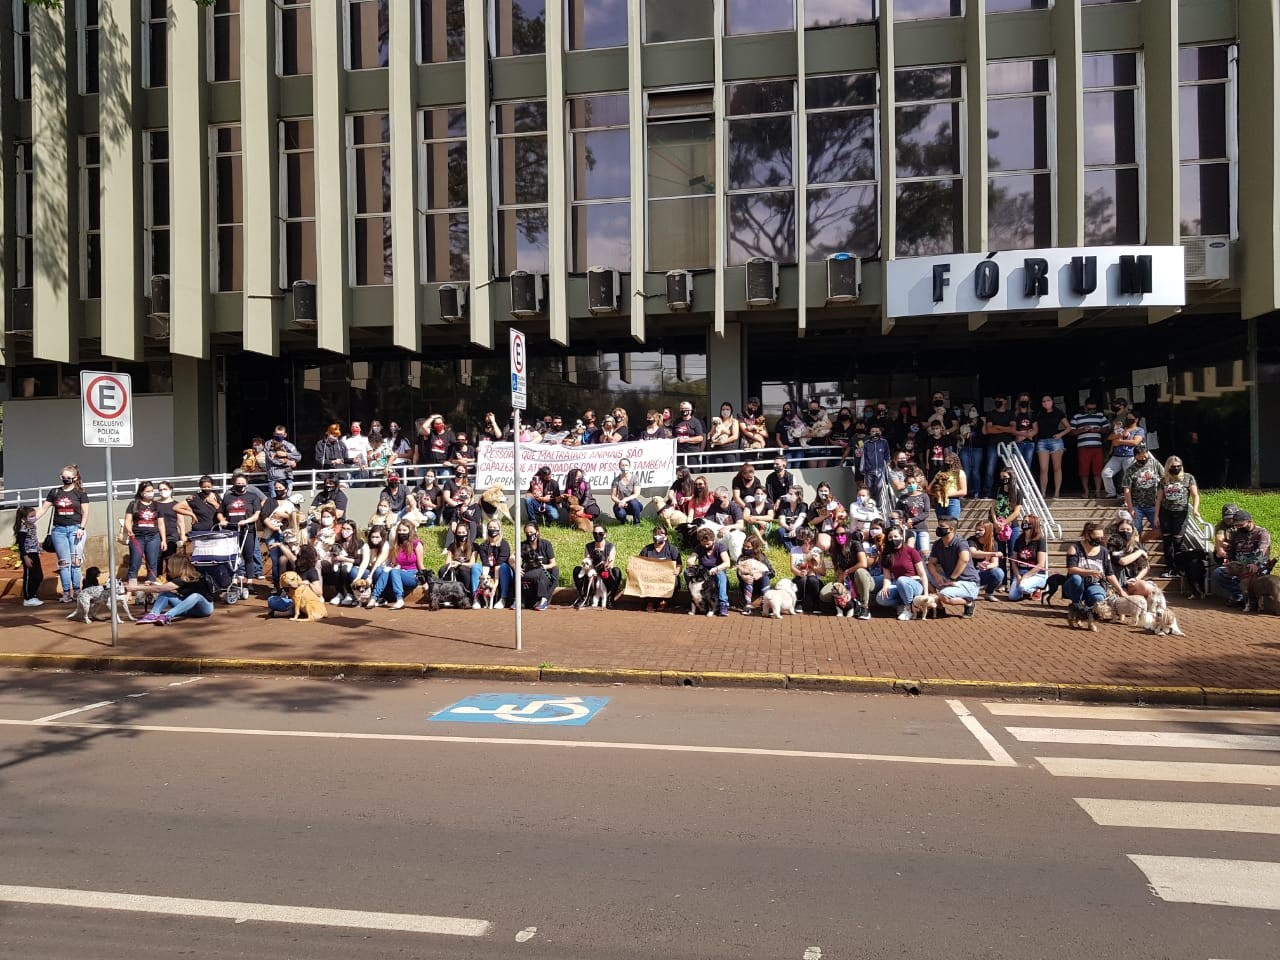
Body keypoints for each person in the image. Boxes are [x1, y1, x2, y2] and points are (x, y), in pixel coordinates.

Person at [35, 465, 91, 603]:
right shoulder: (55, 492)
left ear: (75, 478)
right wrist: (30, 520)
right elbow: (43, 509)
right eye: (63, 477)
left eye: (68, 477)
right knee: (64, 563)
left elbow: (85, 513)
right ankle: (67, 592)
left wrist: (81, 528)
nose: (65, 480)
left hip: (76, 529)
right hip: (59, 530)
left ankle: (77, 591)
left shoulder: (80, 493)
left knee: (75, 561)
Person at [137, 551, 219, 625]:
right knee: (165, 593)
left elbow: (159, 588)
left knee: (196, 596)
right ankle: (153, 614)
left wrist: (134, 588)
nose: (168, 568)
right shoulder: (178, 578)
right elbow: (165, 588)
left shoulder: (190, 577)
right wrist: (153, 583)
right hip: (186, 608)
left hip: (204, 609)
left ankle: (168, 616)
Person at [1212, 511, 1273, 608]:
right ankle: (1240, 595)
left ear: (1250, 521)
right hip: (1239, 565)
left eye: (1241, 524)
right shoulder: (1237, 533)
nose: (1238, 527)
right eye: (1236, 525)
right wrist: (1228, 559)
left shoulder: (1262, 533)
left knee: (1255, 576)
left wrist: (1255, 563)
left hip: (1258, 565)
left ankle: (1252, 600)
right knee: (1218, 573)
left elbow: (1262, 550)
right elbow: (1232, 548)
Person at [1063, 521, 1125, 614]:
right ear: (1087, 536)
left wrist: (1121, 591)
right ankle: (1076, 605)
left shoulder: (1104, 551)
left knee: (1098, 598)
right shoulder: (1075, 548)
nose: (1100, 540)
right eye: (1097, 537)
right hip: (1075, 585)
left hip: (1095, 584)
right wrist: (1091, 572)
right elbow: (1071, 569)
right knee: (1076, 578)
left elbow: (1110, 574)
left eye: (1102, 537)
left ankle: (1089, 604)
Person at [1153, 455, 1199, 577]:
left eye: (1179, 466)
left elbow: (1195, 495)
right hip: (1166, 512)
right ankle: (1170, 568)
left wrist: (1195, 510)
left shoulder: (1188, 478)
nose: (1176, 468)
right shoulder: (1164, 480)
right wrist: (1156, 516)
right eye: (1173, 466)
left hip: (1181, 512)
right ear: (1168, 467)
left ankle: (1180, 567)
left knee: (1178, 540)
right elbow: (1159, 499)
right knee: (1167, 541)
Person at [220, 472, 264, 595]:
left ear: (246, 484)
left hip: (247, 530)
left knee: (248, 556)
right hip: (231, 530)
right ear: (234, 484)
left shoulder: (252, 497)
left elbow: (257, 514)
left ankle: (249, 582)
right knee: (233, 556)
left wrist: (246, 521)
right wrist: (222, 520)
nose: (240, 485)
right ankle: (233, 580)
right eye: (238, 483)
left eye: (242, 483)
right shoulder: (228, 497)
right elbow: (220, 511)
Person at [926, 520, 980, 617]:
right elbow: (931, 563)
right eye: (938, 526)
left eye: (941, 526)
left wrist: (952, 579)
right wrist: (936, 576)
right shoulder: (938, 544)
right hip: (948, 579)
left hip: (968, 582)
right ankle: (939, 608)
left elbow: (964, 559)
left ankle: (969, 602)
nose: (938, 529)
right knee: (924, 576)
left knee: (943, 596)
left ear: (951, 529)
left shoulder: (961, 543)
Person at [875, 526, 929, 621]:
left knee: (901, 580)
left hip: (914, 584)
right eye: (890, 537)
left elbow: (922, 575)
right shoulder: (886, 554)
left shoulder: (912, 551)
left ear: (901, 537)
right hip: (898, 584)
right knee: (880, 598)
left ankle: (908, 609)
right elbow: (887, 577)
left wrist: (926, 594)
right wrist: (885, 587)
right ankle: (902, 604)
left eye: (896, 536)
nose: (893, 539)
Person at [124, 481, 167, 594]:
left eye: (152, 491)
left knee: (152, 563)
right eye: (147, 491)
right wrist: (129, 531)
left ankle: (151, 591)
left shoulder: (157, 505)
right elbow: (127, 521)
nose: (150, 493)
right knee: (135, 563)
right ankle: (131, 590)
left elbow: (161, 524)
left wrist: (164, 540)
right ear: (141, 492)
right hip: (137, 538)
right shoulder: (134, 504)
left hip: (153, 537)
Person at [371, 521, 425, 610]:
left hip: (412, 575)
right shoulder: (396, 546)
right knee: (384, 570)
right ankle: (374, 597)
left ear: (410, 531)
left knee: (393, 571)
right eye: (399, 530)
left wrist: (425, 581)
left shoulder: (417, 544)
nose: (401, 532)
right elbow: (393, 563)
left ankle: (399, 599)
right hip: (398, 573)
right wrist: (395, 566)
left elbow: (420, 564)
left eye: (404, 530)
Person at [1120, 443, 1163, 543]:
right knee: (1136, 529)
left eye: (1145, 456)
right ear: (1135, 457)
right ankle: (1137, 547)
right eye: (1140, 456)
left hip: (1153, 504)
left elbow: (1165, 477)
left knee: (1160, 529)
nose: (1143, 458)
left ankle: (1141, 541)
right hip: (1137, 506)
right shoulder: (1130, 470)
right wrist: (1130, 508)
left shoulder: (1155, 464)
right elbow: (1127, 490)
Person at [267, 544, 323, 618]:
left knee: (293, 603)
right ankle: (292, 610)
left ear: (303, 557)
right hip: (294, 600)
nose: (297, 554)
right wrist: (279, 545)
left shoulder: (311, 571)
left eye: (299, 553)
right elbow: (289, 555)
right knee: (271, 600)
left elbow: (319, 593)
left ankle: (291, 612)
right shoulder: (298, 564)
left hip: (306, 602)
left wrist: (308, 583)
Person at [573, 524, 622, 608]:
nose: (597, 535)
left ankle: (610, 599)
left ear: (605, 534)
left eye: (600, 533)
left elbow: (610, 565)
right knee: (577, 570)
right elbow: (587, 564)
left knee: (616, 571)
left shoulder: (610, 547)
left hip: (605, 576)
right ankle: (585, 597)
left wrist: (603, 567)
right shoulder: (589, 546)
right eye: (595, 533)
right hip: (592, 576)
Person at [1069, 397, 1109, 498]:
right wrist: (1082, 430)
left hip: (1097, 447)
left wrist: (1099, 430)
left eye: (1093, 409)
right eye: (1089, 409)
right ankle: (1086, 492)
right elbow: (1071, 432)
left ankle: (1098, 491)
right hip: (1083, 447)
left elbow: (1107, 428)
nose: (1092, 411)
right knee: (1084, 471)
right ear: (1085, 407)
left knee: (1098, 470)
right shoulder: (1077, 417)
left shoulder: (1100, 415)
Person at [1101, 410, 1146, 499]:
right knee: (1106, 473)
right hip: (1116, 456)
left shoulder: (1139, 430)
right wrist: (1119, 434)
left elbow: (1135, 442)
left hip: (1130, 456)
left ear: (1136, 420)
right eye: (1127, 418)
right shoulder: (1122, 428)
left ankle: (1131, 497)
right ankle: (1111, 493)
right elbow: (1111, 438)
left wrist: (1121, 441)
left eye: (1130, 418)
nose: (1128, 420)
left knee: (1129, 477)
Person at [1034, 395, 1071, 499]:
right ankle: (1043, 493)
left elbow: (1068, 427)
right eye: (1043, 401)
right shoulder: (1039, 413)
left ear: (1052, 401)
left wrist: (1060, 434)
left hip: (1056, 441)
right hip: (1042, 441)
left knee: (1057, 468)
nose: (1046, 403)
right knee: (1043, 468)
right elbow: (1035, 427)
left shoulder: (1058, 412)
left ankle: (1057, 493)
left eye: (1048, 400)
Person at [690, 526, 731, 617]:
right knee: (687, 572)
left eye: (708, 544)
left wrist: (716, 568)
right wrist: (691, 562)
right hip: (704, 575)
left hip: (716, 573)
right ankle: (695, 599)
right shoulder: (699, 548)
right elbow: (691, 560)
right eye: (703, 544)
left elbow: (727, 563)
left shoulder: (720, 547)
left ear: (713, 540)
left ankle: (723, 604)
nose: (706, 546)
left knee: (720, 574)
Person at [639, 527, 683, 612]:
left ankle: (664, 601)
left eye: (660, 534)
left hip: (667, 577)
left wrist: (677, 570)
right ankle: (650, 602)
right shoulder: (647, 549)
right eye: (655, 534)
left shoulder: (671, 549)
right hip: (651, 576)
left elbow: (679, 564)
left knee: (675, 581)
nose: (657, 536)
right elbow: (639, 563)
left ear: (666, 537)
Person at [1007, 515, 1049, 602]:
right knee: (1012, 597)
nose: (1024, 524)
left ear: (1033, 524)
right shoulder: (1019, 540)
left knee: (1023, 586)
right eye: (1023, 522)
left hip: (1036, 574)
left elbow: (1041, 564)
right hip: (1021, 572)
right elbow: (1013, 561)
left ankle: (1037, 589)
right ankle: (1025, 591)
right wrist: (1018, 576)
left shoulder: (1040, 540)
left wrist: (1025, 577)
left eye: (1026, 522)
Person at [988, 467, 1023, 568]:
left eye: (1005, 477)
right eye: (1001, 477)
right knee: (1000, 553)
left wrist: (1004, 523)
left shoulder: (1018, 493)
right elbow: (993, 508)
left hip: (1012, 526)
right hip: (998, 525)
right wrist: (995, 522)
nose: (1002, 479)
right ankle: (1002, 581)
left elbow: (1016, 512)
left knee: (1012, 554)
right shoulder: (997, 490)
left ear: (1011, 477)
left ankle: (1013, 580)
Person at [475, 522, 515, 608]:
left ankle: (503, 599)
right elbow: (485, 564)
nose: (492, 529)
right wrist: (485, 580)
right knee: (475, 567)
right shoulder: (483, 546)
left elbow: (498, 565)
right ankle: (476, 598)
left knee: (503, 566)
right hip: (490, 573)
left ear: (499, 530)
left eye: (494, 527)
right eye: (490, 527)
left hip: (503, 572)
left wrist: (495, 584)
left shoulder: (504, 544)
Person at [519, 522, 558, 611]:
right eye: (527, 533)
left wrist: (544, 566)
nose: (529, 534)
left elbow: (553, 563)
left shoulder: (546, 544)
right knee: (539, 572)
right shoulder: (523, 545)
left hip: (544, 574)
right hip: (529, 573)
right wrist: (515, 566)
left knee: (555, 570)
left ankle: (543, 599)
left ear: (537, 532)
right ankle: (542, 600)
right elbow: (513, 557)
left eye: (531, 532)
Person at [982, 396, 1015, 498]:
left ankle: (1008, 493)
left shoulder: (1010, 413)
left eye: (1000, 399)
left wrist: (998, 427)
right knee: (990, 470)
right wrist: (1005, 429)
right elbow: (989, 430)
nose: (998, 401)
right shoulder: (991, 413)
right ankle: (987, 494)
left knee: (1008, 470)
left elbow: (1013, 429)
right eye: (996, 400)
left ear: (1005, 401)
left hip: (1007, 445)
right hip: (993, 444)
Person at [322, 520, 361, 605]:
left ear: (353, 530)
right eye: (343, 528)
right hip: (338, 563)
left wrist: (344, 559)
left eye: (348, 529)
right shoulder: (339, 542)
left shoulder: (359, 543)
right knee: (336, 570)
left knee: (344, 570)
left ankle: (349, 594)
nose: (345, 531)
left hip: (353, 565)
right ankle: (339, 593)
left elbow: (359, 560)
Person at [789, 527, 826, 615]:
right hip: (800, 578)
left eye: (809, 538)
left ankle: (816, 603)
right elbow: (792, 568)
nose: (808, 541)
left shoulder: (817, 551)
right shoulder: (794, 550)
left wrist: (811, 566)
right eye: (805, 538)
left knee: (812, 579)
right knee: (802, 579)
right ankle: (799, 602)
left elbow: (823, 572)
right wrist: (800, 573)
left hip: (815, 579)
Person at [735, 531, 773, 615]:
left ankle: (767, 604)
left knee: (765, 577)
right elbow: (738, 572)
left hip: (760, 585)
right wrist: (743, 577)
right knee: (747, 578)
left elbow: (772, 572)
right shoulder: (741, 557)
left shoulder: (762, 557)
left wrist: (761, 574)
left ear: (755, 547)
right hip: (746, 584)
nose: (746, 548)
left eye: (748, 547)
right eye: (744, 546)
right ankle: (747, 605)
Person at [967, 521, 1006, 601]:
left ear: (988, 531)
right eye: (976, 529)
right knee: (971, 596)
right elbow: (973, 553)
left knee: (999, 572)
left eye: (980, 530)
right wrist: (993, 553)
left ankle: (989, 593)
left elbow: (995, 563)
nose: (977, 532)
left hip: (982, 572)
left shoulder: (993, 543)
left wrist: (986, 566)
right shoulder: (971, 540)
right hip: (970, 573)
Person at [14, 506, 44, 606]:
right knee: (29, 576)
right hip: (28, 554)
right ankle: (27, 598)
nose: (34, 518)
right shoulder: (23, 529)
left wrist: (40, 547)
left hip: (35, 553)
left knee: (38, 576)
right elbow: (21, 545)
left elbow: (34, 539)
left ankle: (33, 595)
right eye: (31, 516)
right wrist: (25, 557)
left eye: (34, 516)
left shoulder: (33, 527)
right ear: (23, 518)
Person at [929, 452, 967, 523]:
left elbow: (964, 491)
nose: (947, 463)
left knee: (951, 524)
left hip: (952, 501)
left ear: (955, 461)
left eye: (950, 461)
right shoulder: (940, 472)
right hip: (939, 501)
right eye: (946, 461)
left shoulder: (960, 472)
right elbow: (929, 490)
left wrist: (946, 494)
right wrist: (934, 479)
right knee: (942, 526)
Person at [957, 404, 985, 496]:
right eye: (970, 411)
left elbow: (983, 433)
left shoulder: (981, 423)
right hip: (965, 449)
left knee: (975, 471)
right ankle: (965, 492)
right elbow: (963, 435)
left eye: (973, 410)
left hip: (977, 449)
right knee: (966, 471)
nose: (971, 413)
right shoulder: (965, 423)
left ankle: (976, 492)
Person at [774, 484, 808, 552]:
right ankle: (792, 550)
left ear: (798, 496)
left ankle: (800, 547)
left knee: (800, 530)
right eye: (788, 493)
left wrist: (794, 528)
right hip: (787, 529)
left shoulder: (803, 505)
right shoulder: (784, 506)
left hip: (798, 528)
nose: (788, 495)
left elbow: (801, 519)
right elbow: (781, 521)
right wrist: (788, 528)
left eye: (791, 494)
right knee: (780, 531)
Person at [610, 459, 644, 525]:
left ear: (629, 466)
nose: (624, 467)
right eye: (622, 465)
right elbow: (613, 496)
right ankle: (623, 521)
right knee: (620, 513)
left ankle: (637, 522)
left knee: (634, 503)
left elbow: (636, 493)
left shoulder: (635, 478)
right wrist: (620, 502)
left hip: (633, 504)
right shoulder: (616, 480)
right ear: (619, 466)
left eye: (626, 465)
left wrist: (625, 499)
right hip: (621, 504)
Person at [1011, 393, 1037, 469]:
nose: (1024, 402)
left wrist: (1022, 435)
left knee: (1027, 467)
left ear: (1029, 401)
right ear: (1018, 401)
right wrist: (1027, 435)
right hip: (1017, 443)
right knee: (1017, 467)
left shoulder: (1032, 414)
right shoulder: (1014, 414)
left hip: (1029, 444)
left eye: (1026, 400)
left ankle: (1026, 481)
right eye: (1022, 400)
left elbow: (1036, 429)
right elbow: (1012, 429)